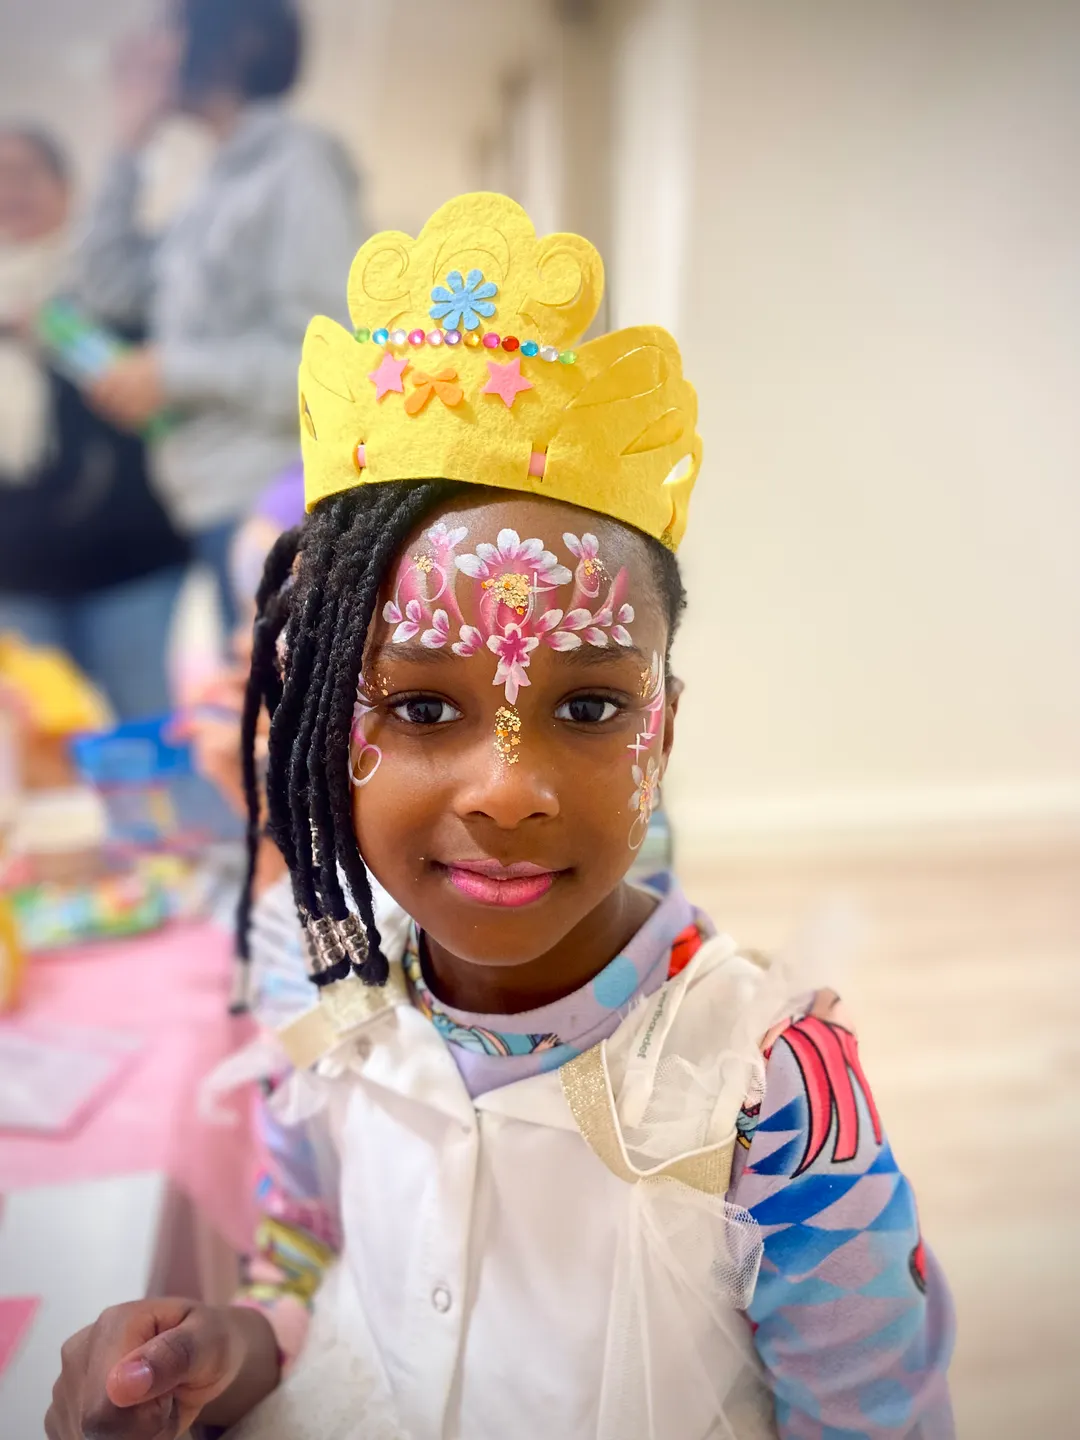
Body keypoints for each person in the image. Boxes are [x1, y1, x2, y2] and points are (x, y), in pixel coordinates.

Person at [46, 194, 955, 1440]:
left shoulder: (769, 1090)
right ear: (323, 734)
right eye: (422, 708)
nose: (508, 787)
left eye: (589, 706)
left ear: (661, 737)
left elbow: (873, 1417)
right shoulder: (324, 997)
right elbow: (301, 1258)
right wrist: (227, 1352)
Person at [80, 0, 359, 635]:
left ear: (234, 39)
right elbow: (106, 285)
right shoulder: (214, 181)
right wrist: (127, 142)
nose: (148, 48)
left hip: (268, 495)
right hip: (213, 498)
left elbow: (331, 363)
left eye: (169, 29)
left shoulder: (296, 163)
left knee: (268, 691)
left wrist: (173, 373)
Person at [0, 127, 187, 720]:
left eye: (25, 173)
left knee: (152, 730)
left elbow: (155, 401)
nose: (11, 189)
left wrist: (59, 332)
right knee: (38, 742)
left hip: (129, 562)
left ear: (64, 187)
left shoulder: (114, 281)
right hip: (17, 573)